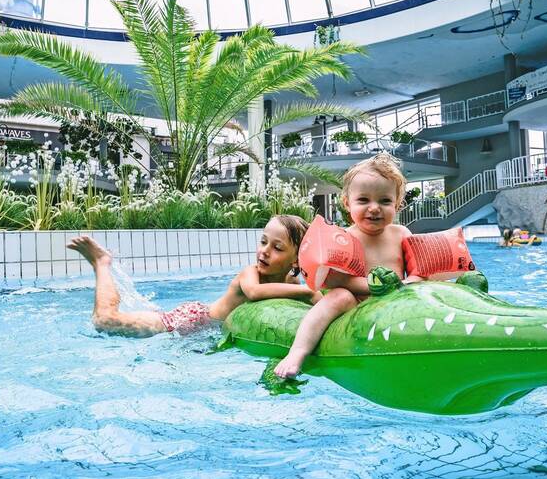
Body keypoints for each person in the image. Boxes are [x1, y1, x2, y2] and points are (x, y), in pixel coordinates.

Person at [274, 153, 421, 379]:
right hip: (354, 305)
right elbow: (335, 280)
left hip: (394, 303)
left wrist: (407, 284)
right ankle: (297, 352)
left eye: (384, 201)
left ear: (397, 204)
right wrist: (376, 287)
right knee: (339, 296)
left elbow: (419, 272)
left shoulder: (402, 234)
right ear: (347, 203)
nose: (374, 208)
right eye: (363, 200)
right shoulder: (343, 238)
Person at [67, 215, 320, 338]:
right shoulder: (250, 274)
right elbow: (254, 293)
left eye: (277, 248)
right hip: (190, 320)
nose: (264, 251)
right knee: (105, 321)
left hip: (207, 331)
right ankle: (102, 263)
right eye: (263, 242)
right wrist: (309, 291)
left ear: (296, 260)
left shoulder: (291, 282)